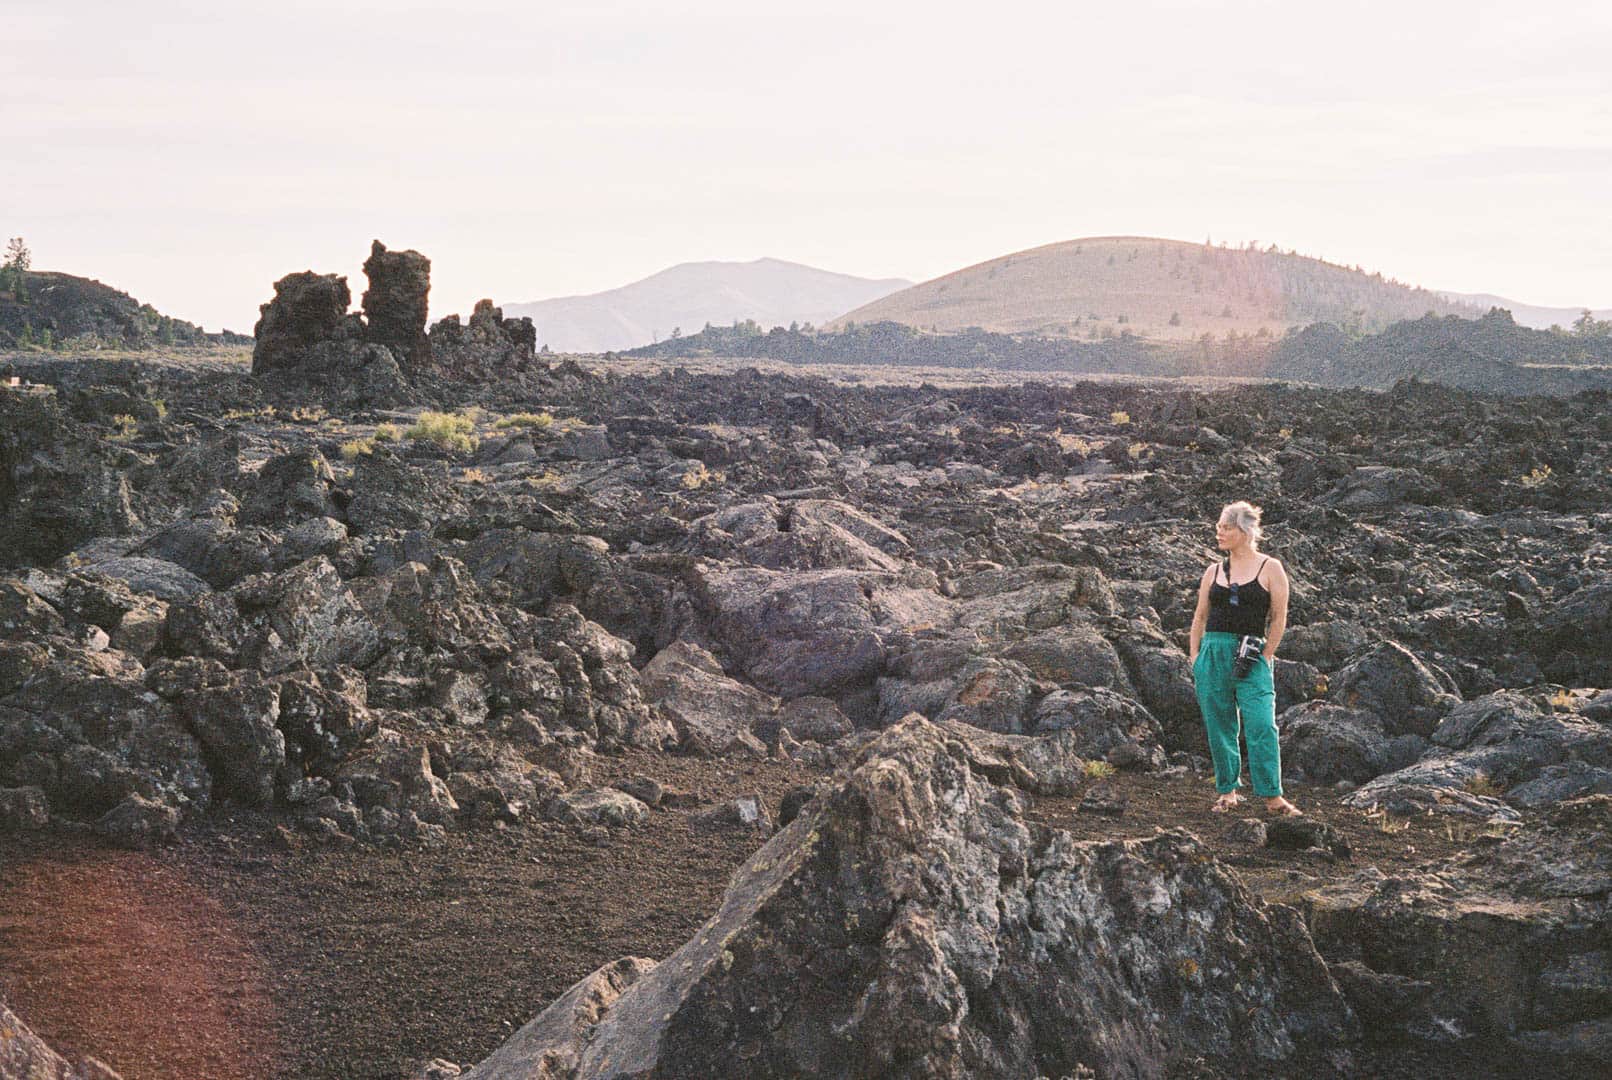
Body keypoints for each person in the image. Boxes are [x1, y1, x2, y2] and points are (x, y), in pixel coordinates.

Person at [1187, 501, 1300, 816]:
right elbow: (1199, 617)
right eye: (1219, 527)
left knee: (1262, 723)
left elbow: (1278, 618)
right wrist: (1196, 656)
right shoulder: (1212, 571)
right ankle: (1228, 791)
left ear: (1244, 531)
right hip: (1213, 652)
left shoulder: (1270, 568)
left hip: (1252, 654)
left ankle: (1272, 796)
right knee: (1219, 724)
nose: (1219, 532)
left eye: (1226, 527)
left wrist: (1266, 655)